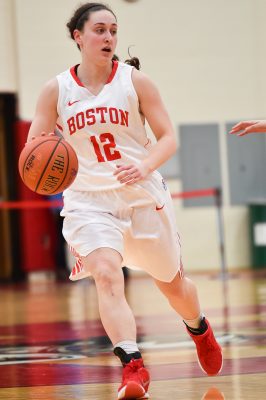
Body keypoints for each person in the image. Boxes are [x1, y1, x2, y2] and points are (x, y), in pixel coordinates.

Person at [26, 3, 222, 399]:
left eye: (113, 31)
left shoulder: (136, 82)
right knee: (106, 274)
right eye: (99, 30)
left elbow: (168, 137)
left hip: (142, 195)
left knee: (175, 288)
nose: (109, 38)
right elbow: (33, 148)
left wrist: (145, 165)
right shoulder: (57, 90)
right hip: (88, 202)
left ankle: (198, 327)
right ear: (78, 37)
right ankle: (133, 367)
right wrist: (48, 162)